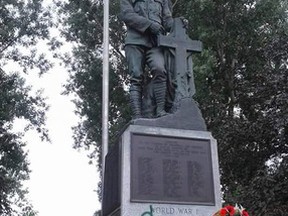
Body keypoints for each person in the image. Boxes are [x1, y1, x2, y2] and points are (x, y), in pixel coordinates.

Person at [120, 0, 174, 118]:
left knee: (160, 70)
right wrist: (149, 25)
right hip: (135, 40)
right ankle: (137, 116)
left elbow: (167, 20)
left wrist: (178, 23)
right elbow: (126, 14)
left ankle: (160, 111)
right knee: (136, 77)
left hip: (155, 42)